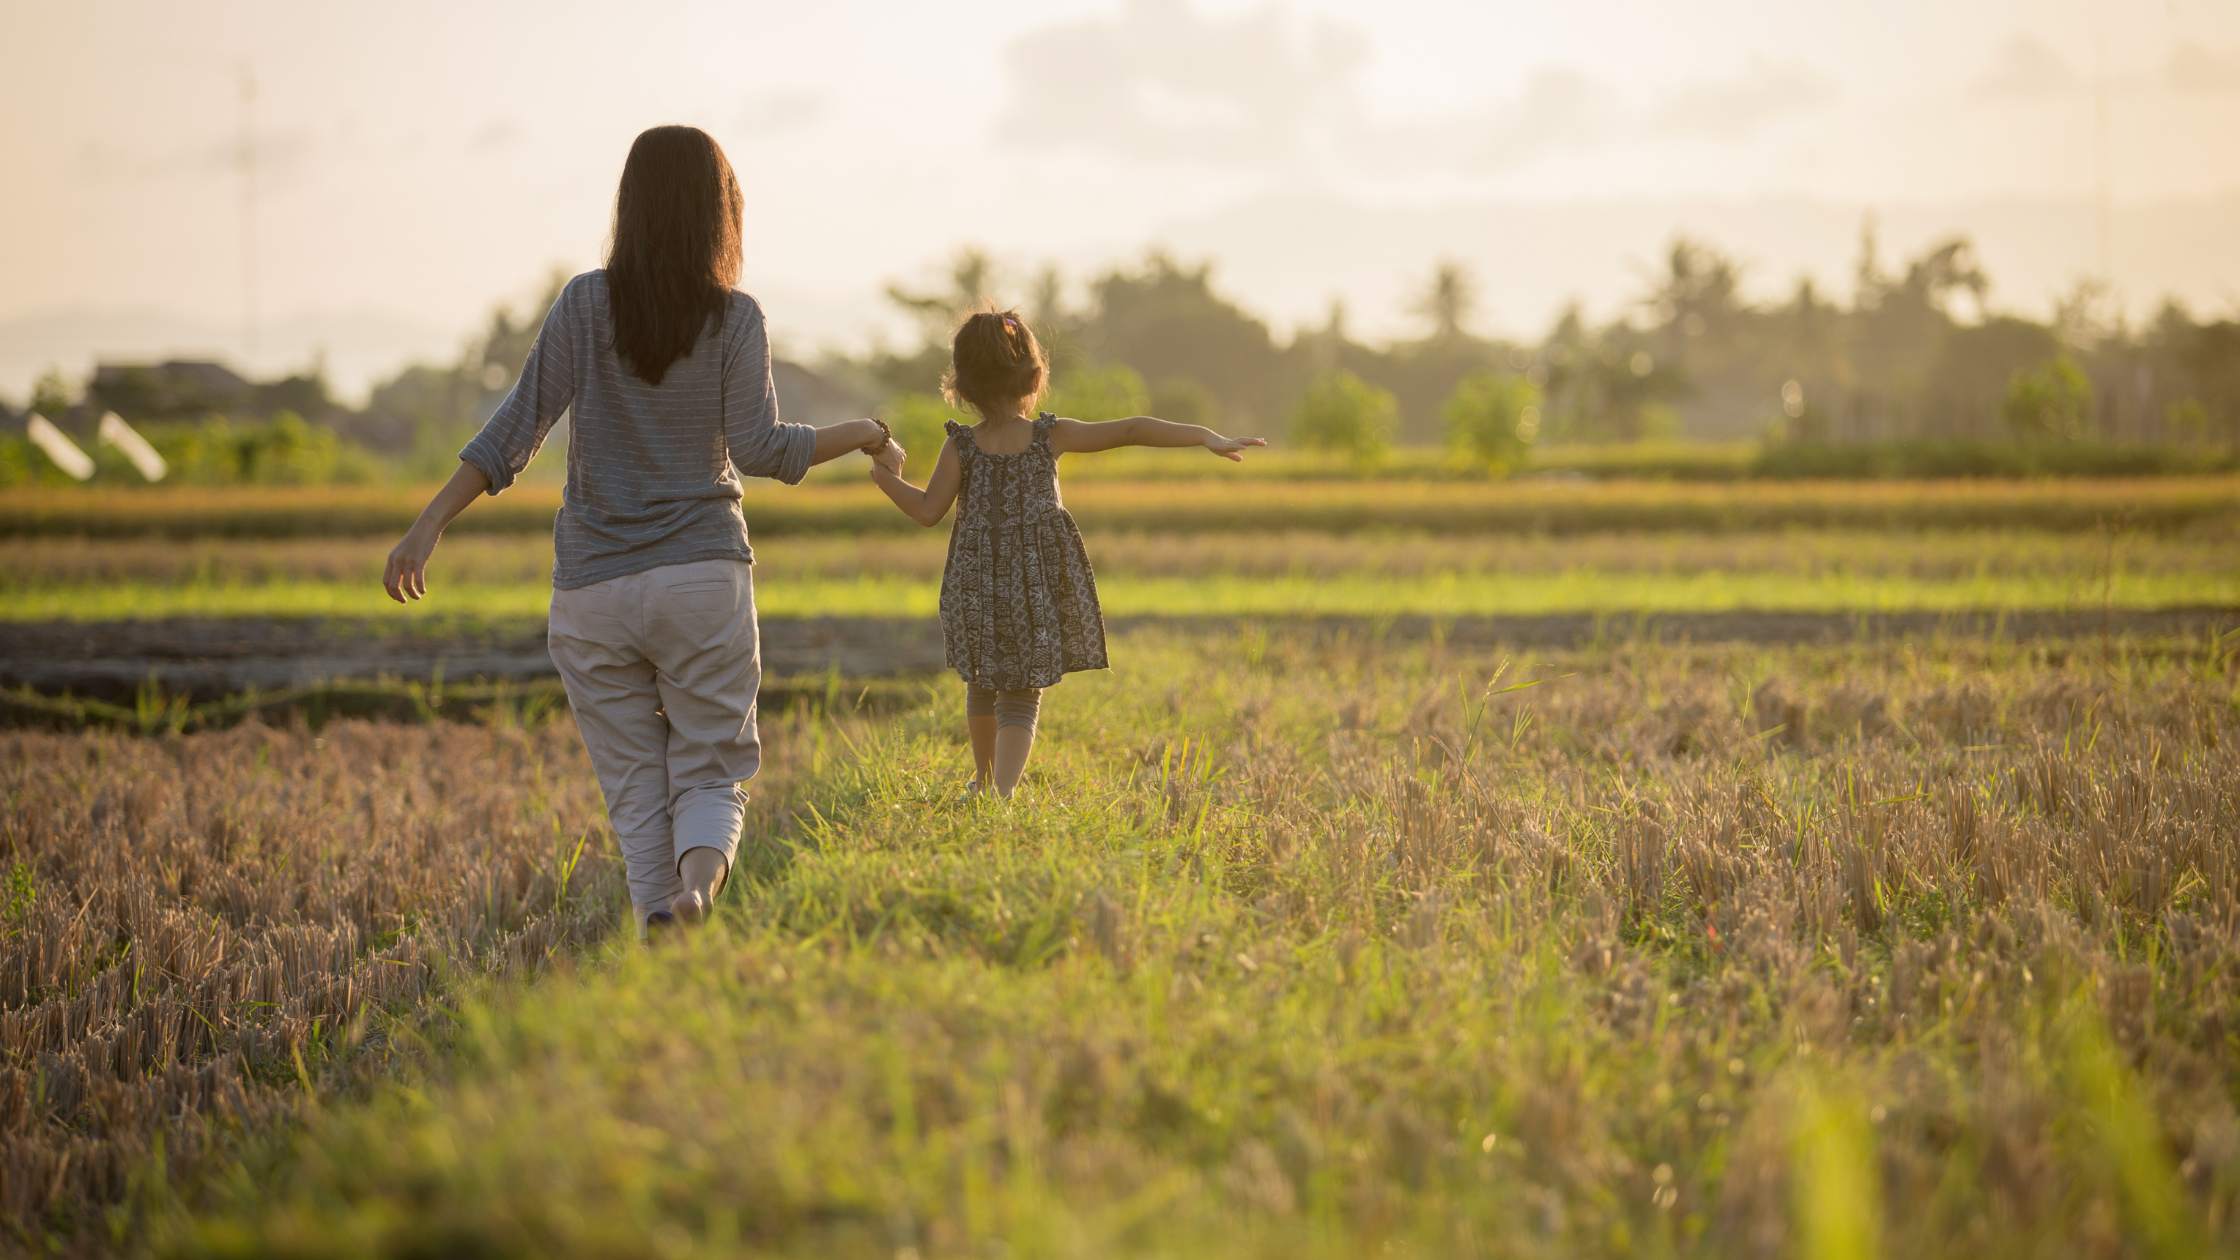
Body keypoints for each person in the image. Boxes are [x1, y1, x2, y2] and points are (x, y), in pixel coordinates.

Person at [381, 125, 891, 938]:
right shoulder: (736, 319)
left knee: (634, 794)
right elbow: (763, 450)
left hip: (593, 591)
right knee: (712, 769)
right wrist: (862, 431)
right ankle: (695, 896)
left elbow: (515, 430)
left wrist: (428, 522)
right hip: (699, 579)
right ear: (720, 212)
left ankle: (660, 931)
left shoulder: (585, 302)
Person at [867, 310, 1264, 798]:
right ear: (1035, 378)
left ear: (962, 390)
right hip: (1032, 587)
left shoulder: (961, 446)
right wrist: (1206, 436)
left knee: (982, 682)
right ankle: (1002, 792)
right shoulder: (1048, 437)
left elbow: (928, 510)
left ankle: (986, 781)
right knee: (1020, 693)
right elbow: (1132, 430)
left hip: (976, 587)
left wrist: (885, 478)